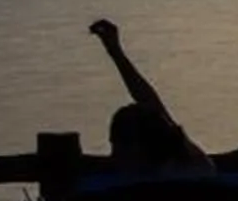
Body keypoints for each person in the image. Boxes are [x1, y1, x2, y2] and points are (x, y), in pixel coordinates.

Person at [90, 20, 216, 179]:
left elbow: (150, 103)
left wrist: (116, 53)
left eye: (118, 148)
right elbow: (150, 103)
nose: (113, 157)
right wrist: (116, 53)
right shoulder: (193, 165)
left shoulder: (191, 169)